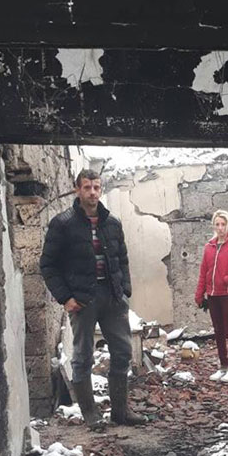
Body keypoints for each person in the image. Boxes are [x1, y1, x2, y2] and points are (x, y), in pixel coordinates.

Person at [40, 168, 145, 430]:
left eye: (96, 187)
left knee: (123, 352)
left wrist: (125, 290)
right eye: (87, 187)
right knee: (83, 356)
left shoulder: (112, 223)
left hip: (112, 296)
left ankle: (120, 411)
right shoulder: (63, 224)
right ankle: (90, 414)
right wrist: (65, 298)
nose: (93, 193)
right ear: (77, 189)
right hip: (82, 299)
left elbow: (122, 259)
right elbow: (48, 265)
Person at [195, 209, 228, 382]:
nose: (220, 228)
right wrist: (200, 293)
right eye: (217, 224)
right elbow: (204, 272)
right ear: (213, 225)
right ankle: (223, 366)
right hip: (213, 295)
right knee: (218, 331)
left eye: (223, 224)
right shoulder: (209, 247)